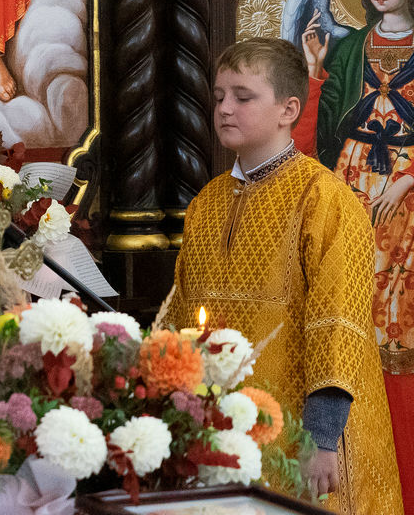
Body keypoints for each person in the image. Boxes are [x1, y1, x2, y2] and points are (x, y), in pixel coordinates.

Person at [163, 37, 401, 513]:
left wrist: (323, 438)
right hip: (221, 433)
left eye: (243, 96)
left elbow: (339, 326)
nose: (225, 109)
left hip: (306, 439)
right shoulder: (207, 203)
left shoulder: (326, 200)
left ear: (289, 109)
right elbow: (180, 320)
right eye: (218, 97)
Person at [297, 0, 414, 512]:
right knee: (349, 310)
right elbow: (326, 127)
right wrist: (317, 72)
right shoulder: (352, 50)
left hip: (408, 197)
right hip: (353, 189)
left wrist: (409, 179)